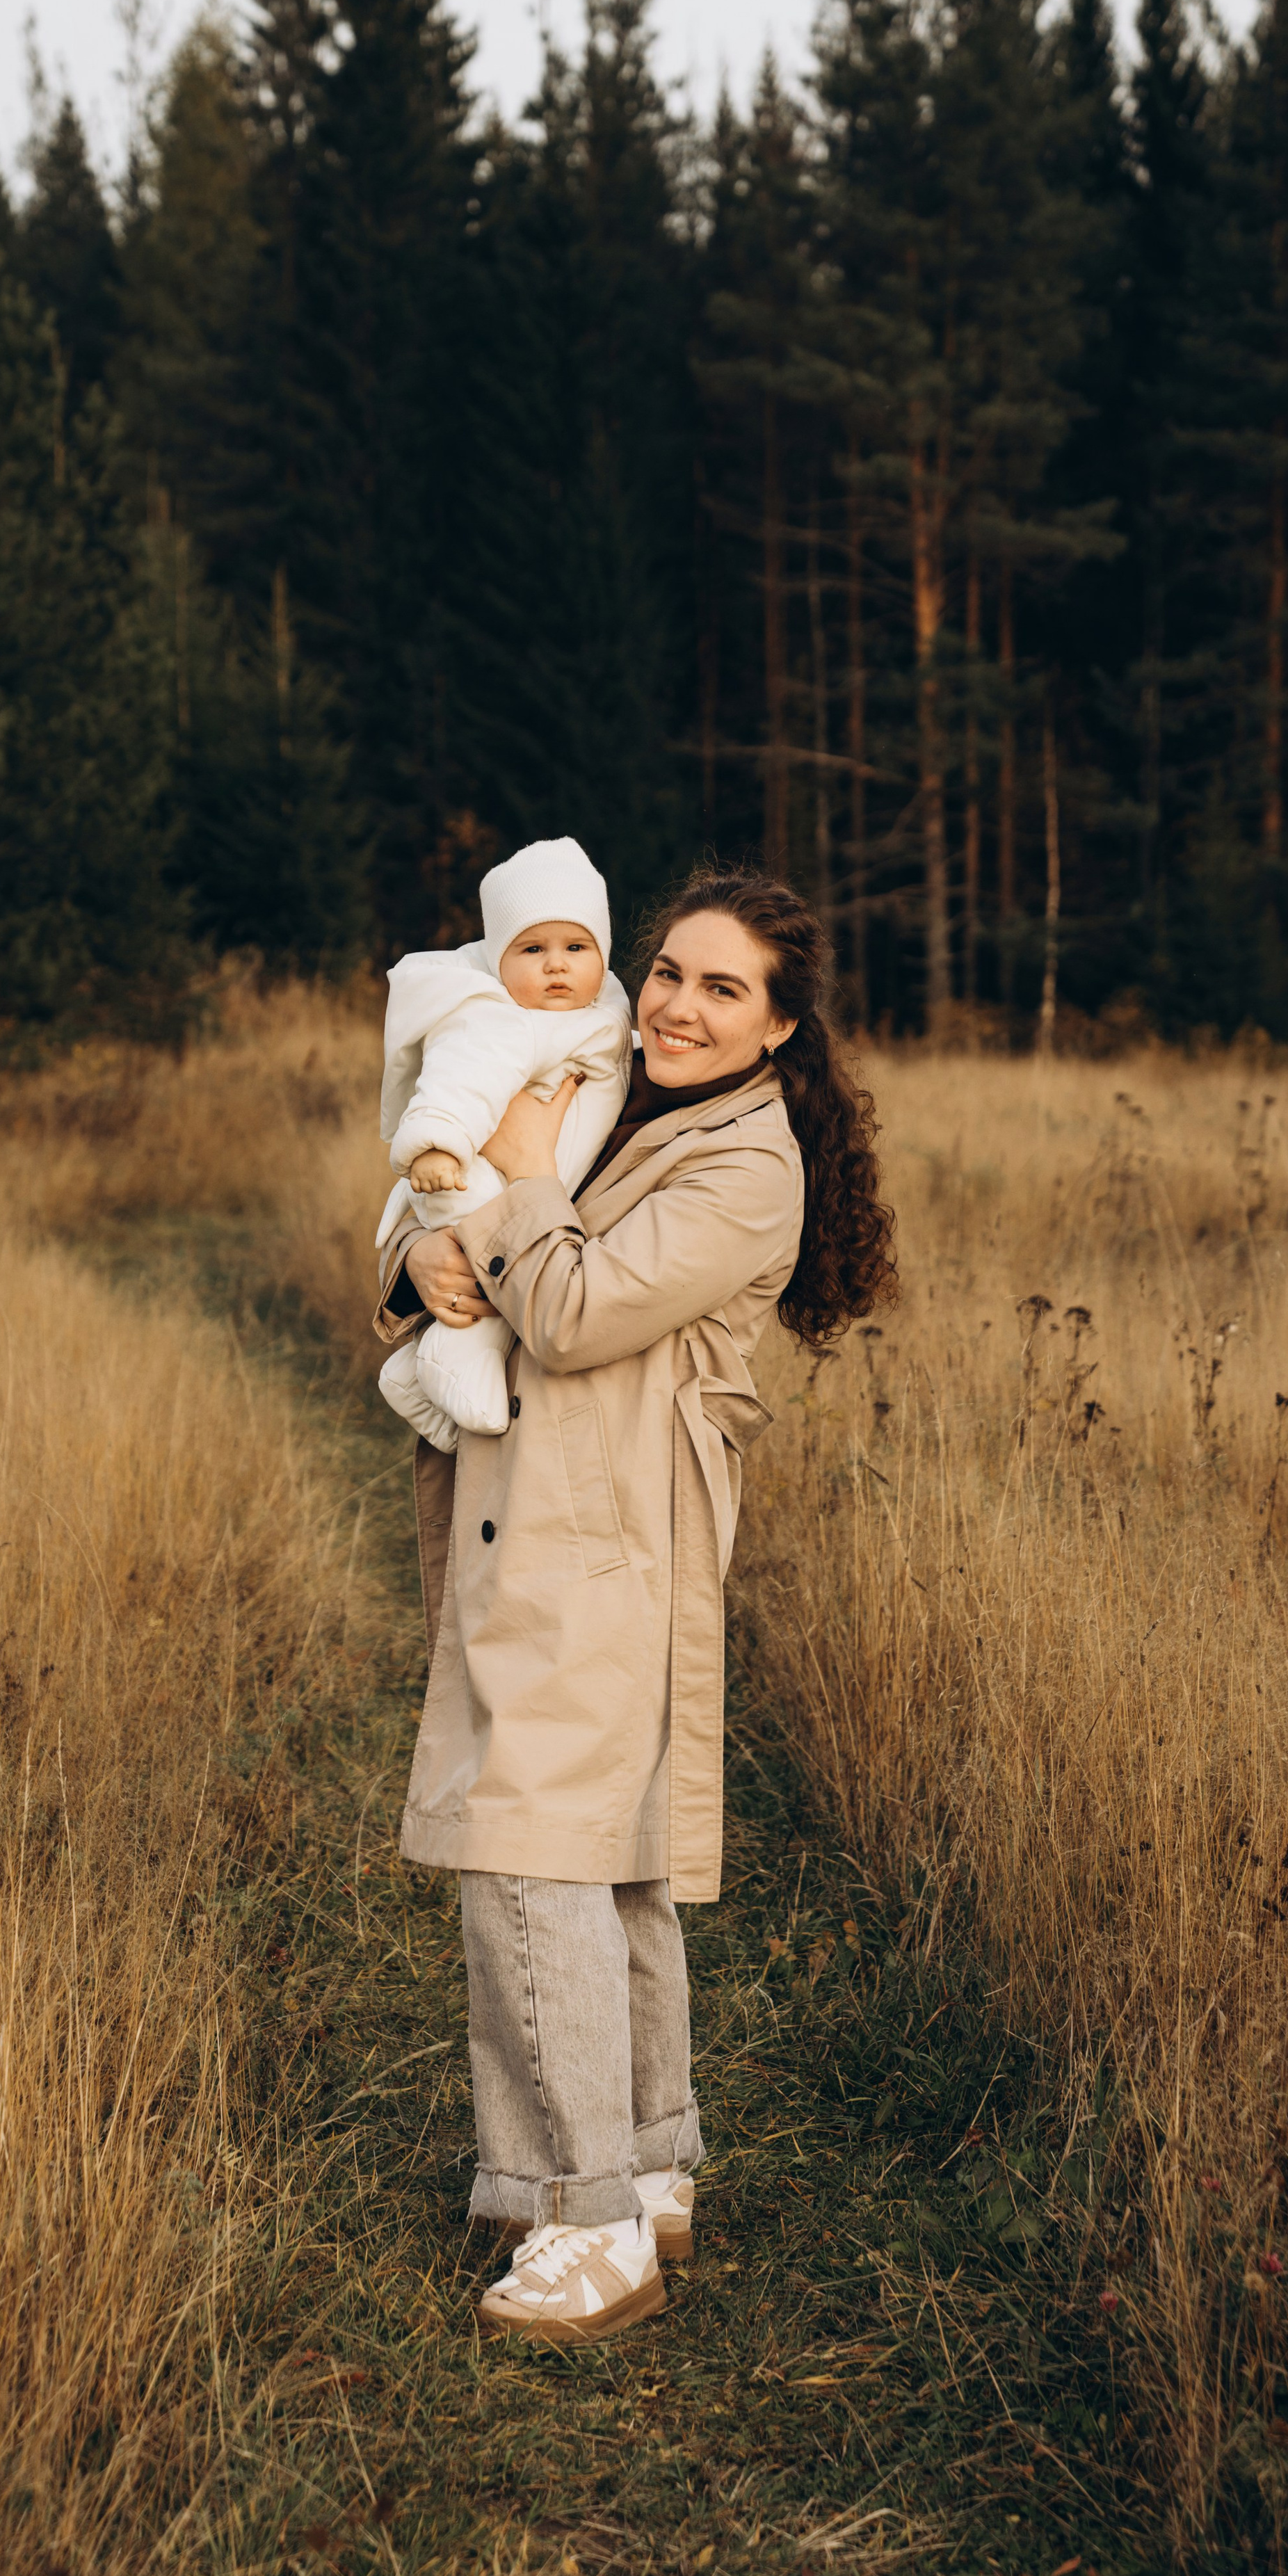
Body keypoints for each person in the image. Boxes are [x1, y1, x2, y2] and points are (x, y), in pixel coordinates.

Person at [373, 866, 898, 2345]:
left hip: (601, 1545)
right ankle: (652, 2160)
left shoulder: (744, 1167)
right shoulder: (629, 1102)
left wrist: (525, 1163)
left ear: (780, 1026)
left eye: (720, 987)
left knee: (530, 1855)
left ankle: (587, 2220)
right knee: (607, 1864)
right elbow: (466, 1235)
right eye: (665, 970)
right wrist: (420, 1256)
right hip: (553, 1526)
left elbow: (575, 1308)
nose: (673, 1003)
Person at [376, 837, 631, 1453]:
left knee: (510, 1274)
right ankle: (450, 1359)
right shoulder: (498, 1018)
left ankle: (415, 1374)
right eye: (532, 949)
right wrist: (437, 1145)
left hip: (538, 1184)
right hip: (468, 1175)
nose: (556, 966)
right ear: (498, 959)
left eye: (576, 947)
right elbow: (460, 1076)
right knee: (491, 1258)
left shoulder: (606, 1012)